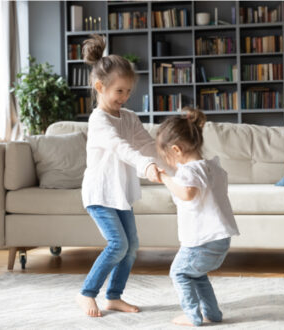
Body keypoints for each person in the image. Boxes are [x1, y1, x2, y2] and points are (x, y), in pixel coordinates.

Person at [76, 34, 162, 318]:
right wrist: (144, 165)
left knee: (132, 245)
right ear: (100, 87)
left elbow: (146, 142)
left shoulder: (129, 117)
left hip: (120, 192)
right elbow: (121, 148)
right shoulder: (99, 120)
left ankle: (113, 296)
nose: (124, 98)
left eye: (128, 92)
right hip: (100, 193)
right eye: (119, 92)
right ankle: (87, 292)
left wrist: (167, 159)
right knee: (118, 244)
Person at [155, 108, 240, 326]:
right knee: (197, 274)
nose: (169, 163)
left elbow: (187, 193)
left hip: (201, 241)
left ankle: (193, 316)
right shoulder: (213, 167)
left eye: (167, 158)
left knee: (179, 273)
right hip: (220, 238)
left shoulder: (187, 171)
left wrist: (165, 178)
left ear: (176, 149)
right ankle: (212, 313)